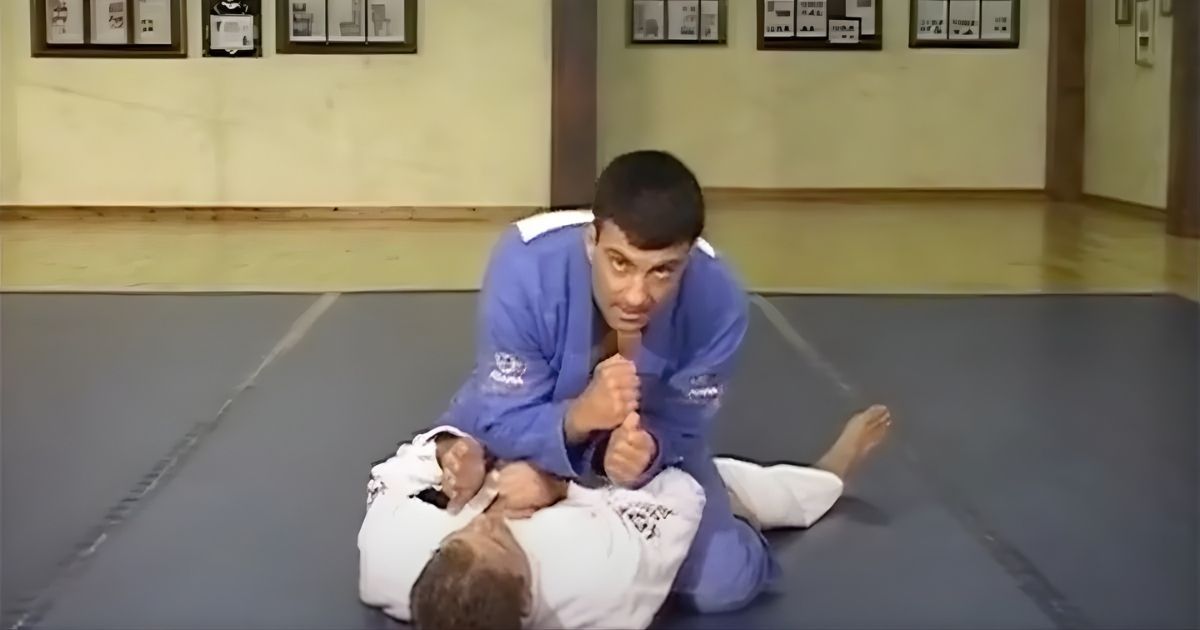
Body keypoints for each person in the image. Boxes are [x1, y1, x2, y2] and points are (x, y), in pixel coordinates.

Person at [434, 149, 892, 612]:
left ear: (688, 258)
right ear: (591, 241)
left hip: (649, 443)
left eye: (662, 272)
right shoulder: (525, 266)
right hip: (527, 419)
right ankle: (728, 485)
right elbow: (504, 408)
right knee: (467, 566)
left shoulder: (719, 301)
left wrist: (646, 450)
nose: (636, 294)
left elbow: (685, 421)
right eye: (619, 263)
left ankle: (779, 491)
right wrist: (576, 421)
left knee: (722, 584)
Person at [357, 406, 890, 630]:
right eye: (500, 542)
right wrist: (561, 485)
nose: (489, 522)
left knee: (477, 417)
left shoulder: (390, 556)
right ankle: (825, 477)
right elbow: (678, 499)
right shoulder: (599, 580)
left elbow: (397, 471)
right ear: (525, 597)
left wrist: (452, 453)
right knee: (723, 574)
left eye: (467, 533)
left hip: (512, 438)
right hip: (620, 491)